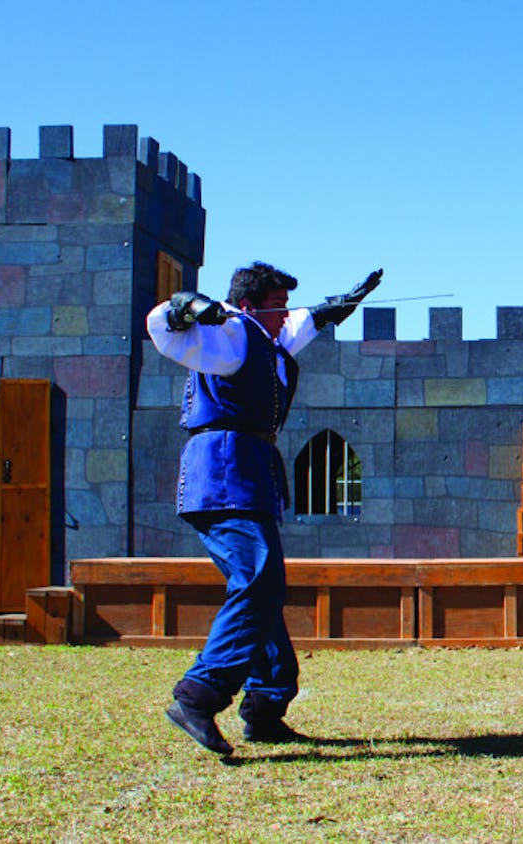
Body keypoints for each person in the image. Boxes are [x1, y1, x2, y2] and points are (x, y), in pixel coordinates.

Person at [146, 261, 381, 755]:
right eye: (278, 306)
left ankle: (266, 707)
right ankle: (198, 694)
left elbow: (300, 324)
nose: (286, 315)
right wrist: (189, 304)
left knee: (261, 585)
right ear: (249, 307)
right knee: (260, 579)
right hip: (222, 470)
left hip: (249, 470)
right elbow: (161, 326)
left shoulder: (265, 338)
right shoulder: (229, 334)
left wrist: (339, 306)